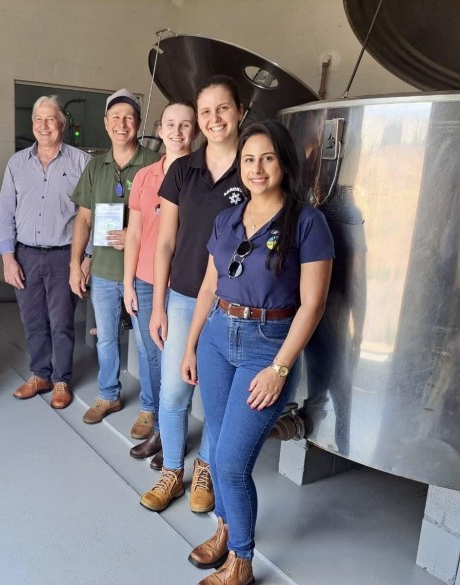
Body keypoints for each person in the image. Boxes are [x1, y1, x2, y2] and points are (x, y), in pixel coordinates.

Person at [182, 121, 333, 584]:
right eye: (248, 159)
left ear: (283, 162)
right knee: (216, 443)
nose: (257, 168)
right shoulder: (227, 218)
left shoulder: (306, 222)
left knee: (231, 462)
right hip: (216, 336)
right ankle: (225, 529)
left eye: (267, 158)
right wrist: (191, 345)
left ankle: (241, 562)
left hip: (266, 346)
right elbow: (209, 285)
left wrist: (279, 368)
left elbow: (313, 304)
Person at [141, 75, 245, 514]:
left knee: (217, 400)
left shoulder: (253, 167)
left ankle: (205, 467)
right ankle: (171, 470)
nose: (214, 118)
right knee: (172, 393)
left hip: (231, 303)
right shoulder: (183, 170)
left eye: (223, 108)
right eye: (206, 111)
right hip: (183, 296)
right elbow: (165, 242)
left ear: (240, 112)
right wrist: (158, 306)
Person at [69, 89, 161, 425]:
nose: (122, 124)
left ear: (138, 123)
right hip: (105, 271)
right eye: (116, 118)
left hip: (144, 274)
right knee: (106, 339)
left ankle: (151, 408)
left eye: (129, 118)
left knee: (148, 344)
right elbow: (83, 219)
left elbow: (169, 218)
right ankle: (108, 395)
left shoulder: (154, 164)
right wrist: (76, 263)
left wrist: (136, 233)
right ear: (106, 123)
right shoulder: (96, 166)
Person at [0, 96, 91, 409]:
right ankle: (40, 374)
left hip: (65, 255)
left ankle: (62, 379)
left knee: (61, 321)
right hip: (25, 255)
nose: (44, 125)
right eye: (39, 119)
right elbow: (5, 212)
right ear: (32, 123)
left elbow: (91, 214)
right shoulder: (17, 163)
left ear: (62, 124)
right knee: (32, 320)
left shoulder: (81, 162)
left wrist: (86, 258)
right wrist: (8, 257)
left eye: (51, 119)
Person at [123, 100, 197, 462]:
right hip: (146, 280)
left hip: (182, 285)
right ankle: (158, 425)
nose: (177, 132)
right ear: (159, 129)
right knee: (152, 356)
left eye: (185, 125)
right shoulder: (145, 176)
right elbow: (135, 234)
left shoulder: (202, 176)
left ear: (195, 130)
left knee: (179, 363)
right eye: (170, 124)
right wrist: (127, 283)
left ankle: (171, 435)